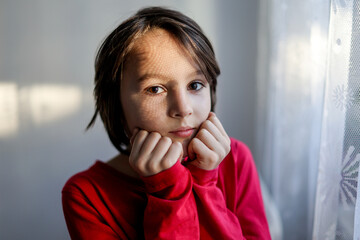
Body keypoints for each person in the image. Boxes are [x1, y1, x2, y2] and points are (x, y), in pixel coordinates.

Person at [62, 6, 271, 239]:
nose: (183, 109)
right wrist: (168, 191)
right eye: (155, 89)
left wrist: (204, 182)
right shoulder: (86, 195)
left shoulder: (237, 160)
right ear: (116, 105)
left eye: (195, 85)